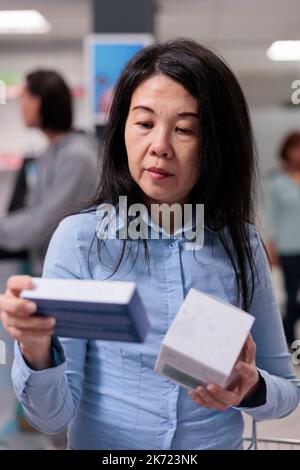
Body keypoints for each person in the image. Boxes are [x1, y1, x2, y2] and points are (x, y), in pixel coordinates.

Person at [0, 39, 299, 450]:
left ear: (215, 144)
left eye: (184, 129)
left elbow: (286, 392)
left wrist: (251, 387)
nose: (160, 145)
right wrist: (36, 349)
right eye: (144, 123)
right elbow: (51, 417)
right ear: (122, 128)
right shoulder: (80, 240)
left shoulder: (240, 244)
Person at [0, 70, 98, 275]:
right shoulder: (48, 154)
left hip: (75, 275)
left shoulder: (77, 157)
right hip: (49, 269)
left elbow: (47, 221)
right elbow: (34, 211)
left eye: (24, 99)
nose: (21, 106)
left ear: (38, 102)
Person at [265, 131, 300, 345]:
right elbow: (271, 215)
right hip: (288, 246)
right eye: (294, 148)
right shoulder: (276, 181)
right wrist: (271, 245)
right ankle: (289, 340)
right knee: (291, 295)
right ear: (286, 152)